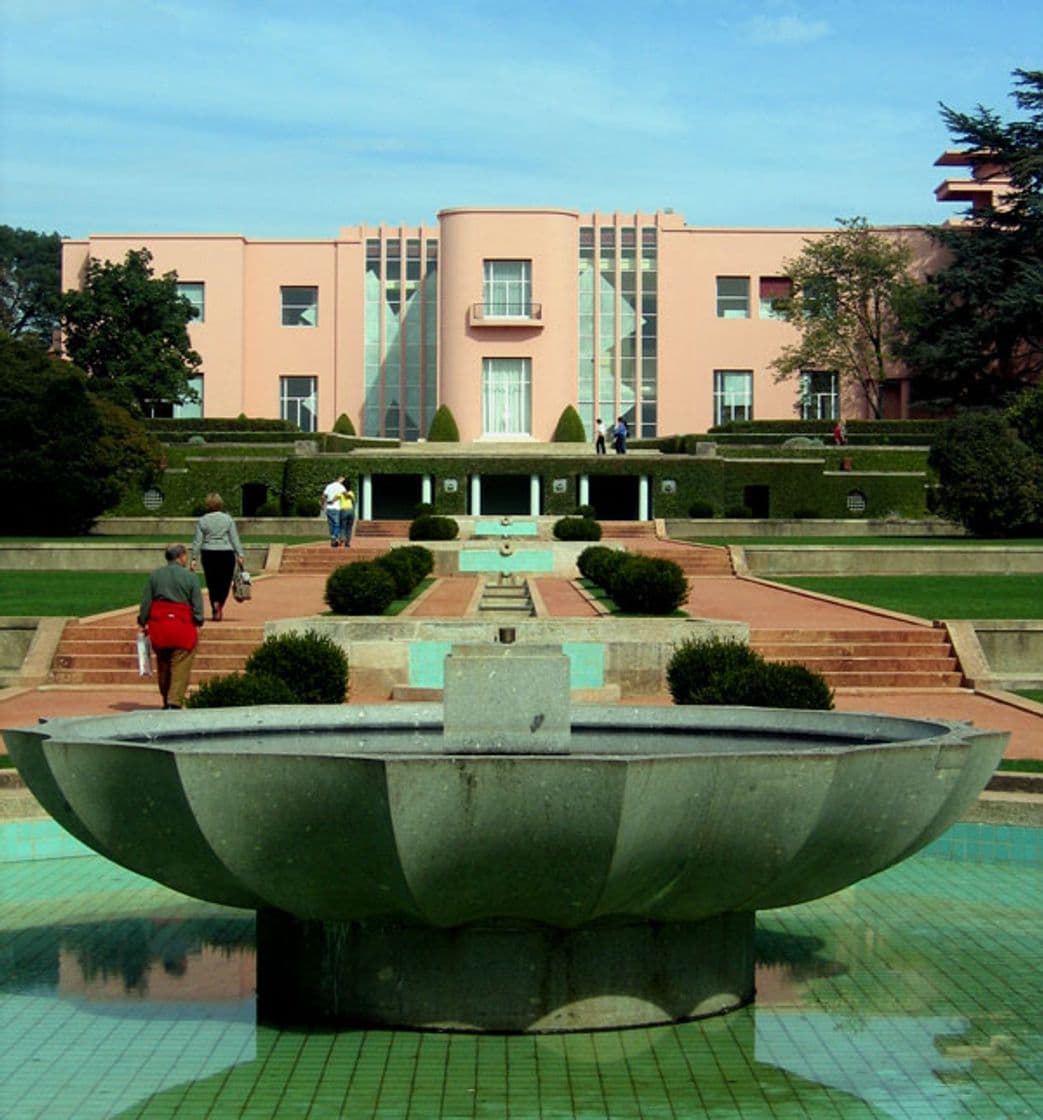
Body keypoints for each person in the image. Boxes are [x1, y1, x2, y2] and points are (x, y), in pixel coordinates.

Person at [138, 543, 204, 709]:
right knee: (181, 664)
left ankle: (166, 697)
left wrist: (142, 621)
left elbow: (146, 602)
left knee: (163, 663)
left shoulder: (155, 576)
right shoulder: (190, 577)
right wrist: (198, 620)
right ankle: (174, 701)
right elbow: (197, 605)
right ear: (180, 556)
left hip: (159, 626)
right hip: (182, 626)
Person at [190, 492, 244, 621]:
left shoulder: (203, 520)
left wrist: (193, 558)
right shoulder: (228, 519)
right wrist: (240, 554)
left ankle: (214, 603)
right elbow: (234, 538)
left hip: (209, 553)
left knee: (211, 582)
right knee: (225, 582)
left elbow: (197, 540)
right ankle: (219, 603)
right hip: (226, 552)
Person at [322, 474, 348, 547]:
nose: (343, 481)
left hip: (329, 508)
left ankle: (334, 540)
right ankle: (335, 537)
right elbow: (346, 495)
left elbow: (323, 496)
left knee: (331, 525)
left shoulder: (329, 486)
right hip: (336, 508)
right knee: (337, 524)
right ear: (339, 479)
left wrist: (322, 504)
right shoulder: (341, 486)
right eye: (343, 479)